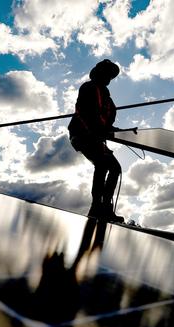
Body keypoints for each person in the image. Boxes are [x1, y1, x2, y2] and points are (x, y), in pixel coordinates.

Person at [68, 59, 125, 223]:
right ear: (100, 73)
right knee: (104, 165)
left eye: (111, 76)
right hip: (82, 135)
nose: (109, 78)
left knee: (113, 168)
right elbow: (86, 113)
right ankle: (98, 208)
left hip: (96, 137)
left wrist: (113, 130)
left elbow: (106, 120)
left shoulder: (106, 94)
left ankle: (103, 207)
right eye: (107, 74)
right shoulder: (88, 88)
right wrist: (98, 131)